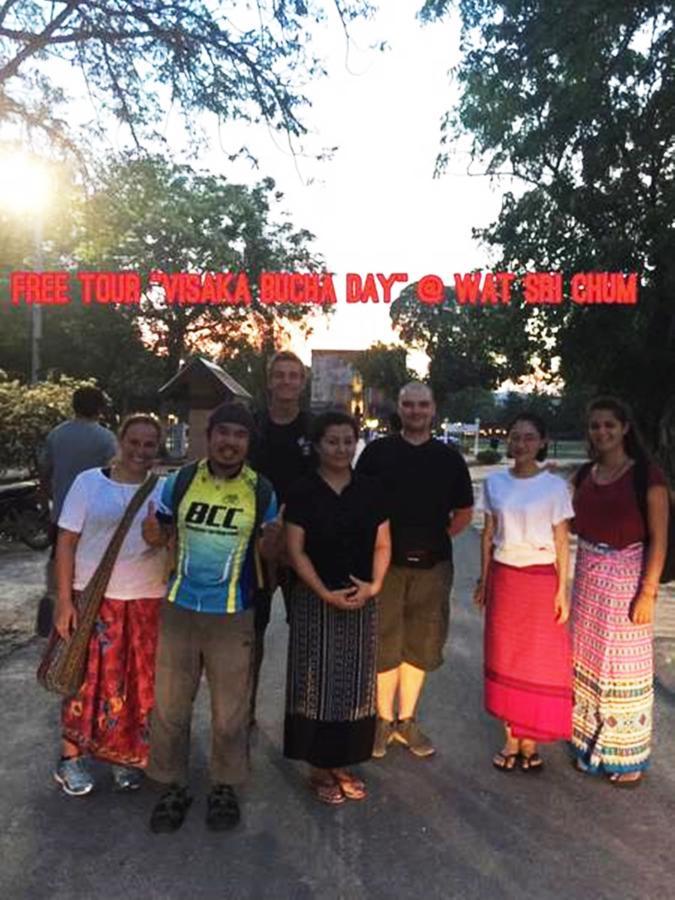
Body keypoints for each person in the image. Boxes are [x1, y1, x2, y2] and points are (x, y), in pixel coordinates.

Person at [142, 402, 278, 833]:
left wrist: (276, 544)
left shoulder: (262, 490)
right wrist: (152, 534)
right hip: (179, 607)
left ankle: (224, 785)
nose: (230, 442)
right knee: (169, 707)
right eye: (224, 433)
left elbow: (271, 553)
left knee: (230, 710)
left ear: (248, 443)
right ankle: (171, 785)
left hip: (232, 613)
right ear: (210, 435)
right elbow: (158, 529)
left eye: (240, 435)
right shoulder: (180, 481)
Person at [356, 382, 474, 757]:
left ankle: (406, 720)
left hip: (432, 567)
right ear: (400, 408)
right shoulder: (377, 453)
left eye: (423, 404)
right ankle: (382, 721)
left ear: (433, 408)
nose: (416, 411)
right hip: (385, 566)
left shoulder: (448, 458)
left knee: (420, 645)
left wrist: (440, 537)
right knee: (384, 643)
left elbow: (464, 512)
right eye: (409, 404)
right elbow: (359, 504)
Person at [53, 414, 166, 796]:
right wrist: (64, 600)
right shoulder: (88, 483)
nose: (140, 451)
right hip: (94, 600)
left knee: (137, 687)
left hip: (147, 601)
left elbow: (169, 542)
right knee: (85, 681)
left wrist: (159, 537)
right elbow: (66, 542)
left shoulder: (162, 490)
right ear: (120, 441)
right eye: (134, 442)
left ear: (158, 448)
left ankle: (122, 756)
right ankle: (70, 759)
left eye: (149, 444)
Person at [284, 412, 391, 803]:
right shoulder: (303, 490)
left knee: (355, 686)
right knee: (316, 684)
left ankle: (344, 761)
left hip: (362, 598)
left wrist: (375, 586)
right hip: (316, 600)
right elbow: (295, 550)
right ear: (317, 445)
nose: (341, 448)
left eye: (348, 440)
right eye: (333, 441)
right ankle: (318, 767)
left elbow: (382, 544)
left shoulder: (371, 489)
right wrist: (323, 592)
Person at [570, 396, 669, 786]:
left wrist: (647, 593)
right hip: (588, 579)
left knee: (623, 668)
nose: (602, 432)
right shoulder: (585, 475)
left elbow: (659, 540)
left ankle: (625, 755)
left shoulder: (646, 475)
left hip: (628, 580)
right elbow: (569, 522)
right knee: (587, 664)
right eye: (595, 426)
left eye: (609, 424)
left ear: (625, 427)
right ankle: (588, 744)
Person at [474, 413, 574, 772]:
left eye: (529, 438)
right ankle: (511, 738)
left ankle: (530, 741)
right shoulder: (495, 483)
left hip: (541, 580)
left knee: (538, 663)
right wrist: (483, 580)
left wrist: (562, 590)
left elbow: (562, 540)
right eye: (515, 437)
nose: (521, 444)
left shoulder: (555, 486)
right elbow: (488, 534)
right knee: (506, 658)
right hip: (505, 578)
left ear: (542, 442)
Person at [247, 351, 314, 724]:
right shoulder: (253, 427)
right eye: (280, 375)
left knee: (305, 632)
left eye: (294, 376)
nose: (287, 382)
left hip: (302, 546)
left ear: (302, 383)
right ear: (269, 381)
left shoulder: (314, 428)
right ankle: (247, 708)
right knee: (251, 633)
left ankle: (302, 712)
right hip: (254, 545)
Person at [39, 386, 118, 541]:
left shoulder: (56, 435)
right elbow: (116, 476)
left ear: (74, 406)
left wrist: (47, 503)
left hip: (62, 516)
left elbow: (44, 473)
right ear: (99, 408)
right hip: (95, 519)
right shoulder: (107, 439)